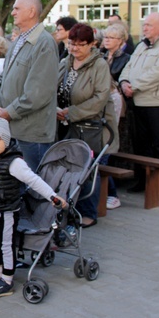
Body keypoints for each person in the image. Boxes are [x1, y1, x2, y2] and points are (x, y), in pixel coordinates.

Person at [0, 116, 66, 297]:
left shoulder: (14, 162)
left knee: (5, 245)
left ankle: (7, 280)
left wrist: (52, 197)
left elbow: (34, 180)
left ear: (6, 139)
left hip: (5, 210)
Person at [56, 24, 119, 227]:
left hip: (90, 126)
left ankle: (88, 213)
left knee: (87, 170)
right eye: (71, 44)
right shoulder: (66, 61)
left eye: (80, 45)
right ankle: (68, 210)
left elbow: (100, 98)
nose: (75, 49)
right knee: (66, 169)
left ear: (92, 44)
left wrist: (72, 112)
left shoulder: (99, 65)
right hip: (66, 123)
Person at [0, 0, 58, 173]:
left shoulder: (44, 43)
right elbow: (3, 79)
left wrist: (9, 112)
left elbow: (38, 93)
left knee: (33, 188)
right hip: (11, 129)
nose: (12, 12)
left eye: (17, 8)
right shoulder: (18, 41)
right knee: (14, 186)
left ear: (31, 12)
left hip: (32, 133)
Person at [119, 12, 159, 198]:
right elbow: (128, 67)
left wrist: (134, 86)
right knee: (141, 144)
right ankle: (142, 180)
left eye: (149, 25)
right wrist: (123, 82)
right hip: (137, 101)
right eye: (144, 25)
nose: (144, 28)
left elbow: (158, 73)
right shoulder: (141, 46)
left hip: (157, 103)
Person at [101, 22, 131, 210]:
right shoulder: (101, 56)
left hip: (114, 104)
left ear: (120, 41)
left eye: (111, 38)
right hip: (103, 104)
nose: (106, 41)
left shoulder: (126, 59)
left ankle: (111, 192)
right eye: (105, 37)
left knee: (106, 150)